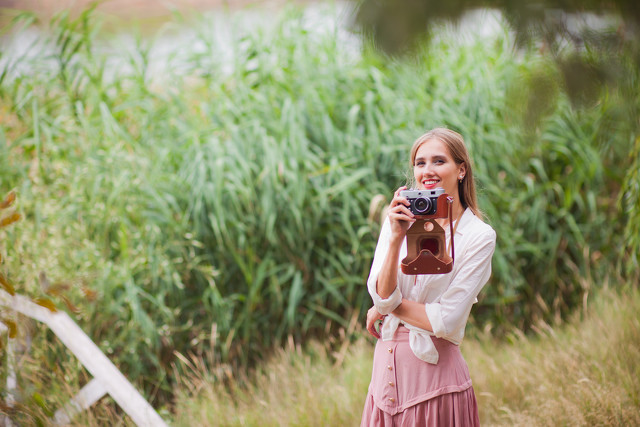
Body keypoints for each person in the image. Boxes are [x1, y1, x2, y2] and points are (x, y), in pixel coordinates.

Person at [361, 128, 496, 426]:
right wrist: (397, 236)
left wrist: (386, 306)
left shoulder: (478, 236)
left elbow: (446, 320)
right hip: (384, 386)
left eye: (438, 161)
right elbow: (377, 289)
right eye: (420, 163)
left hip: (437, 389)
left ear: (461, 170)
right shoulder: (399, 219)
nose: (427, 170)